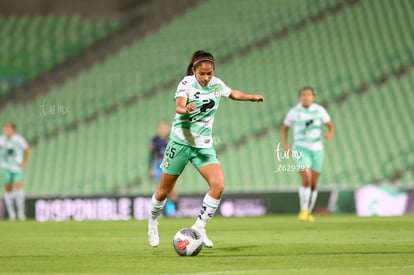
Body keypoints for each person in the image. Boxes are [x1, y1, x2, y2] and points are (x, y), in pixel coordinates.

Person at [148, 50, 264, 247]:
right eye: (202, 73)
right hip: (180, 143)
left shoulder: (217, 84)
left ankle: (199, 228)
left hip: (203, 146)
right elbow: (179, 105)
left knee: (218, 185)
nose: (206, 77)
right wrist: (186, 109)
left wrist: (252, 97)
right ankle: (152, 222)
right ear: (194, 71)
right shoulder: (186, 83)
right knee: (163, 191)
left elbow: (233, 93)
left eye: (209, 73)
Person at [281, 87, 334, 222]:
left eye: (309, 95)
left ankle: (309, 211)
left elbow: (330, 126)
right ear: (300, 97)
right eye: (304, 95)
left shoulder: (319, 110)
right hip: (301, 148)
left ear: (313, 97)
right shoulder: (294, 112)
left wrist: (329, 133)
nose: (306, 97)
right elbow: (285, 127)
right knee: (307, 178)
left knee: (314, 183)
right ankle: (303, 210)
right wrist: (286, 144)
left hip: (317, 149)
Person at [0, 122, 30, 221]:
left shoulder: (19, 139)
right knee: (8, 189)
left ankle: (21, 213)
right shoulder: (1, 139)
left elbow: (27, 149)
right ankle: (11, 214)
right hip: (6, 167)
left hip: (17, 167)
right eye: (5, 128)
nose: (6, 130)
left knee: (18, 187)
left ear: (13, 130)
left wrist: (25, 162)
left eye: (8, 128)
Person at [148, 120, 178, 217]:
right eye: (161, 127)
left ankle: (172, 211)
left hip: (169, 164)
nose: (163, 129)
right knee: (160, 190)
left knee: (170, 190)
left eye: (164, 127)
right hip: (158, 164)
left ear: (168, 128)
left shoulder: (172, 138)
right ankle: (158, 212)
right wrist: (151, 168)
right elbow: (151, 155)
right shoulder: (155, 139)